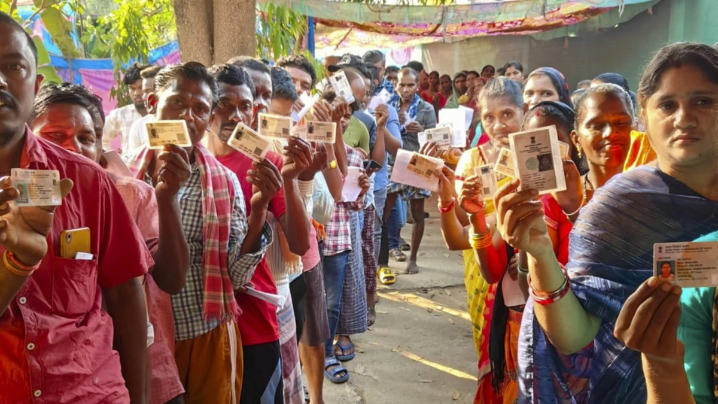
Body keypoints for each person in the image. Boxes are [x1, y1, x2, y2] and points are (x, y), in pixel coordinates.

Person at [502, 42, 718, 403]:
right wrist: (540, 255)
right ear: (646, 118)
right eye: (667, 104)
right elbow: (575, 336)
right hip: (632, 389)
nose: (683, 118)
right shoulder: (618, 206)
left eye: (703, 101)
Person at [0, 13, 151, 403]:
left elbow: (126, 300)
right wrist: (16, 265)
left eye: (12, 66)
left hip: (90, 392)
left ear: (34, 87)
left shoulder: (87, 181)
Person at [31, 82, 190, 404]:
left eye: (86, 138)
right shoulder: (15, 201)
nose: (72, 148)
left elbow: (167, 281)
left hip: (138, 369)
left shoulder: (128, 194)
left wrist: (167, 198)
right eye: (54, 136)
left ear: (101, 145)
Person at [125, 61, 272, 403]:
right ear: (152, 104)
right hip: (141, 337)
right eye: (177, 103)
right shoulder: (125, 174)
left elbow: (235, 277)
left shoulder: (223, 182)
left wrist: (259, 211)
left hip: (201, 332)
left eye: (200, 109)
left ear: (207, 121)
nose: (188, 117)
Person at [204, 63, 310, 404]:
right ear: (207, 106)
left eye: (245, 106)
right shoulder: (188, 160)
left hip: (255, 322)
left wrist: (290, 179)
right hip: (200, 323)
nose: (235, 116)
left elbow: (300, 243)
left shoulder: (266, 161)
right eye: (224, 104)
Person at [439, 77, 525, 403]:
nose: (498, 124)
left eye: (507, 114)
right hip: (483, 272)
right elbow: (461, 228)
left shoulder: (535, 156)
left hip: (524, 271)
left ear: (523, 112)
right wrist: (458, 205)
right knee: (491, 351)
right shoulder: (471, 160)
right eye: (489, 117)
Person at [382, 67, 437, 275]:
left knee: (416, 213)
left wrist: (421, 131)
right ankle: (383, 257)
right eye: (402, 85)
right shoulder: (388, 106)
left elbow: (434, 137)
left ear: (417, 86)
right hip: (393, 161)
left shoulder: (426, 109)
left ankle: (413, 259)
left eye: (410, 85)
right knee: (384, 212)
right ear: (396, 85)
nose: (405, 89)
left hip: (417, 161)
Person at [104, 62, 150, 154]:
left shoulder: (162, 115)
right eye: (132, 88)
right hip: (128, 168)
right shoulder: (119, 115)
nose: (137, 93)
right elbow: (101, 138)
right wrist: (115, 162)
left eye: (141, 87)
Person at [126, 65, 162, 156]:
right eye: (144, 91)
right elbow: (135, 165)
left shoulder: (183, 122)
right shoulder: (138, 127)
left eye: (149, 91)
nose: (144, 97)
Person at [228, 56, 272, 131]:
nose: (262, 103)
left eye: (266, 96)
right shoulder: (203, 140)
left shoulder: (275, 141)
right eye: (254, 93)